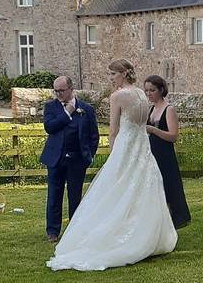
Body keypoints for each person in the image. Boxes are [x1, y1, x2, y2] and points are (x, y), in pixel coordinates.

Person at [47, 59, 176, 271]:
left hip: (126, 148)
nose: (111, 79)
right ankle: (146, 236)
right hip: (143, 149)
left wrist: (113, 153)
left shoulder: (118, 96)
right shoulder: (142, 95)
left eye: (113, 75)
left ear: (124, 74)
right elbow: (143, 124)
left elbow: (114, 130)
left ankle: (117, 236)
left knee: (115, 190)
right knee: (141, 191)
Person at [39, 75, 99, 243]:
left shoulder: (86, 109)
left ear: (71, 89)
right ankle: (52, 231)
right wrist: (67, 113)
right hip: (55, 158)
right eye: (56, 91)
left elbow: (93, 135)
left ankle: (75, 229)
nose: (58, 94)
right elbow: (49, 127)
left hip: (77, 160)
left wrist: (89, 155)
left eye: (61, 91)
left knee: (75, 196)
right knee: (54, 196)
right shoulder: (51, 107)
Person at [144, 74, 191, 229]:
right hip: (152, 151)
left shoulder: (168, 109)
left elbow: (173, 136)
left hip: (165, 153)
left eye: (152, 90)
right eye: (147, 91)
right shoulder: (151, 109)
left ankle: (175, 216)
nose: (149, 93)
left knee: (169, 184)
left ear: (161, 90)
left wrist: (153, 130)